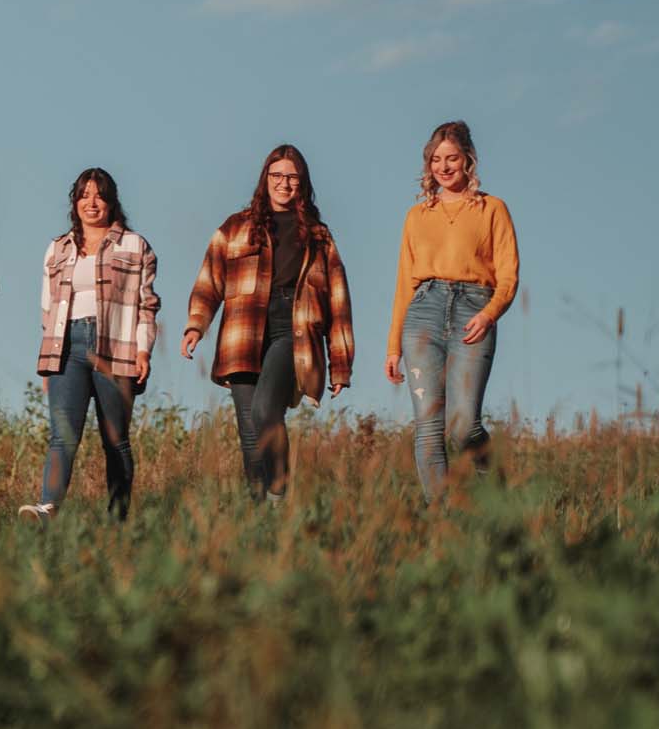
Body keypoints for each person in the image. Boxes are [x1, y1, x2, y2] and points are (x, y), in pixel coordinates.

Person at [182, 145, 354, 502]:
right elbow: (209, 280)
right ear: (266, 180)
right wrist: (196, 325)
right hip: (242, 332)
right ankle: (258, 513)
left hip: (293, 327)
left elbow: (338, 301)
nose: (284, 184)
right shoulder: (235, 227)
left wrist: (340, 363)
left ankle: (279, 493)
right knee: (248, 429)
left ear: (302, 183)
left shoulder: (319, 237)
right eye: (277, 176)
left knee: (265, 411)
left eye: (292, 177)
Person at [384, 120, 519, 502]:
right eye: (435, 160)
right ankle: (443, 525)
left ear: (468, 161)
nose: (443, 167)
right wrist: (393, 346)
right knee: (428, 427)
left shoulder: (492, 209)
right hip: (423, 312)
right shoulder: (417, 216)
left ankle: (495, 489)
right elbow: (403, 284)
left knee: (463, 427)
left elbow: (508, 274)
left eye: (452, 158)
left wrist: (490, 313)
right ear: (428, 165)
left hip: (473, 312)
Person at [18, 168, 158, 522]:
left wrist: (143, 350)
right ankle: (47, 506)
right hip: (66, 347)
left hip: (116, 346)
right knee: (62, 434)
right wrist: (49, 361)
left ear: (111, 202)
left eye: (99, 196)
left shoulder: (134, 245)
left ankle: (118, 517)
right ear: (75, 202)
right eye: (84, 195)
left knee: (115, 438)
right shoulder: (58, 248)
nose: (91, 203)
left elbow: (147, 304)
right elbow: (47, 308)